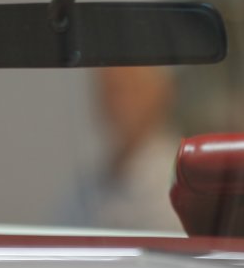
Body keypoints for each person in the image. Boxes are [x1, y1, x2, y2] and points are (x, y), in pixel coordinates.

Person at [64, 64, 183, 231]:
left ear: (160, 93)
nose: (116, 103)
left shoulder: (179, 177)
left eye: (127, 89)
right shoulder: (90, 181)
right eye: (107, 91)